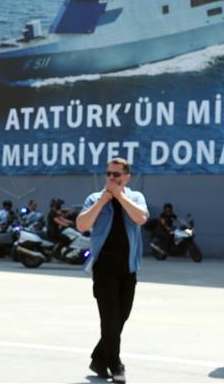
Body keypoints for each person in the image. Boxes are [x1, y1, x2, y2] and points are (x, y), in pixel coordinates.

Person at [77, 158, 148, 383]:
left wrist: (120, 197)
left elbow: (141, 218)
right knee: (109, 318)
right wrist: (103, 201)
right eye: (108, 174)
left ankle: (99, 358)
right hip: (104, 269)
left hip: (128, 268)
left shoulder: (135, 197)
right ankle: (115, 364)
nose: (111, 178)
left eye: (116, 174)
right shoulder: (94, 198)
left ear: (126, 177)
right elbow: (82, 225)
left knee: (121, 316)